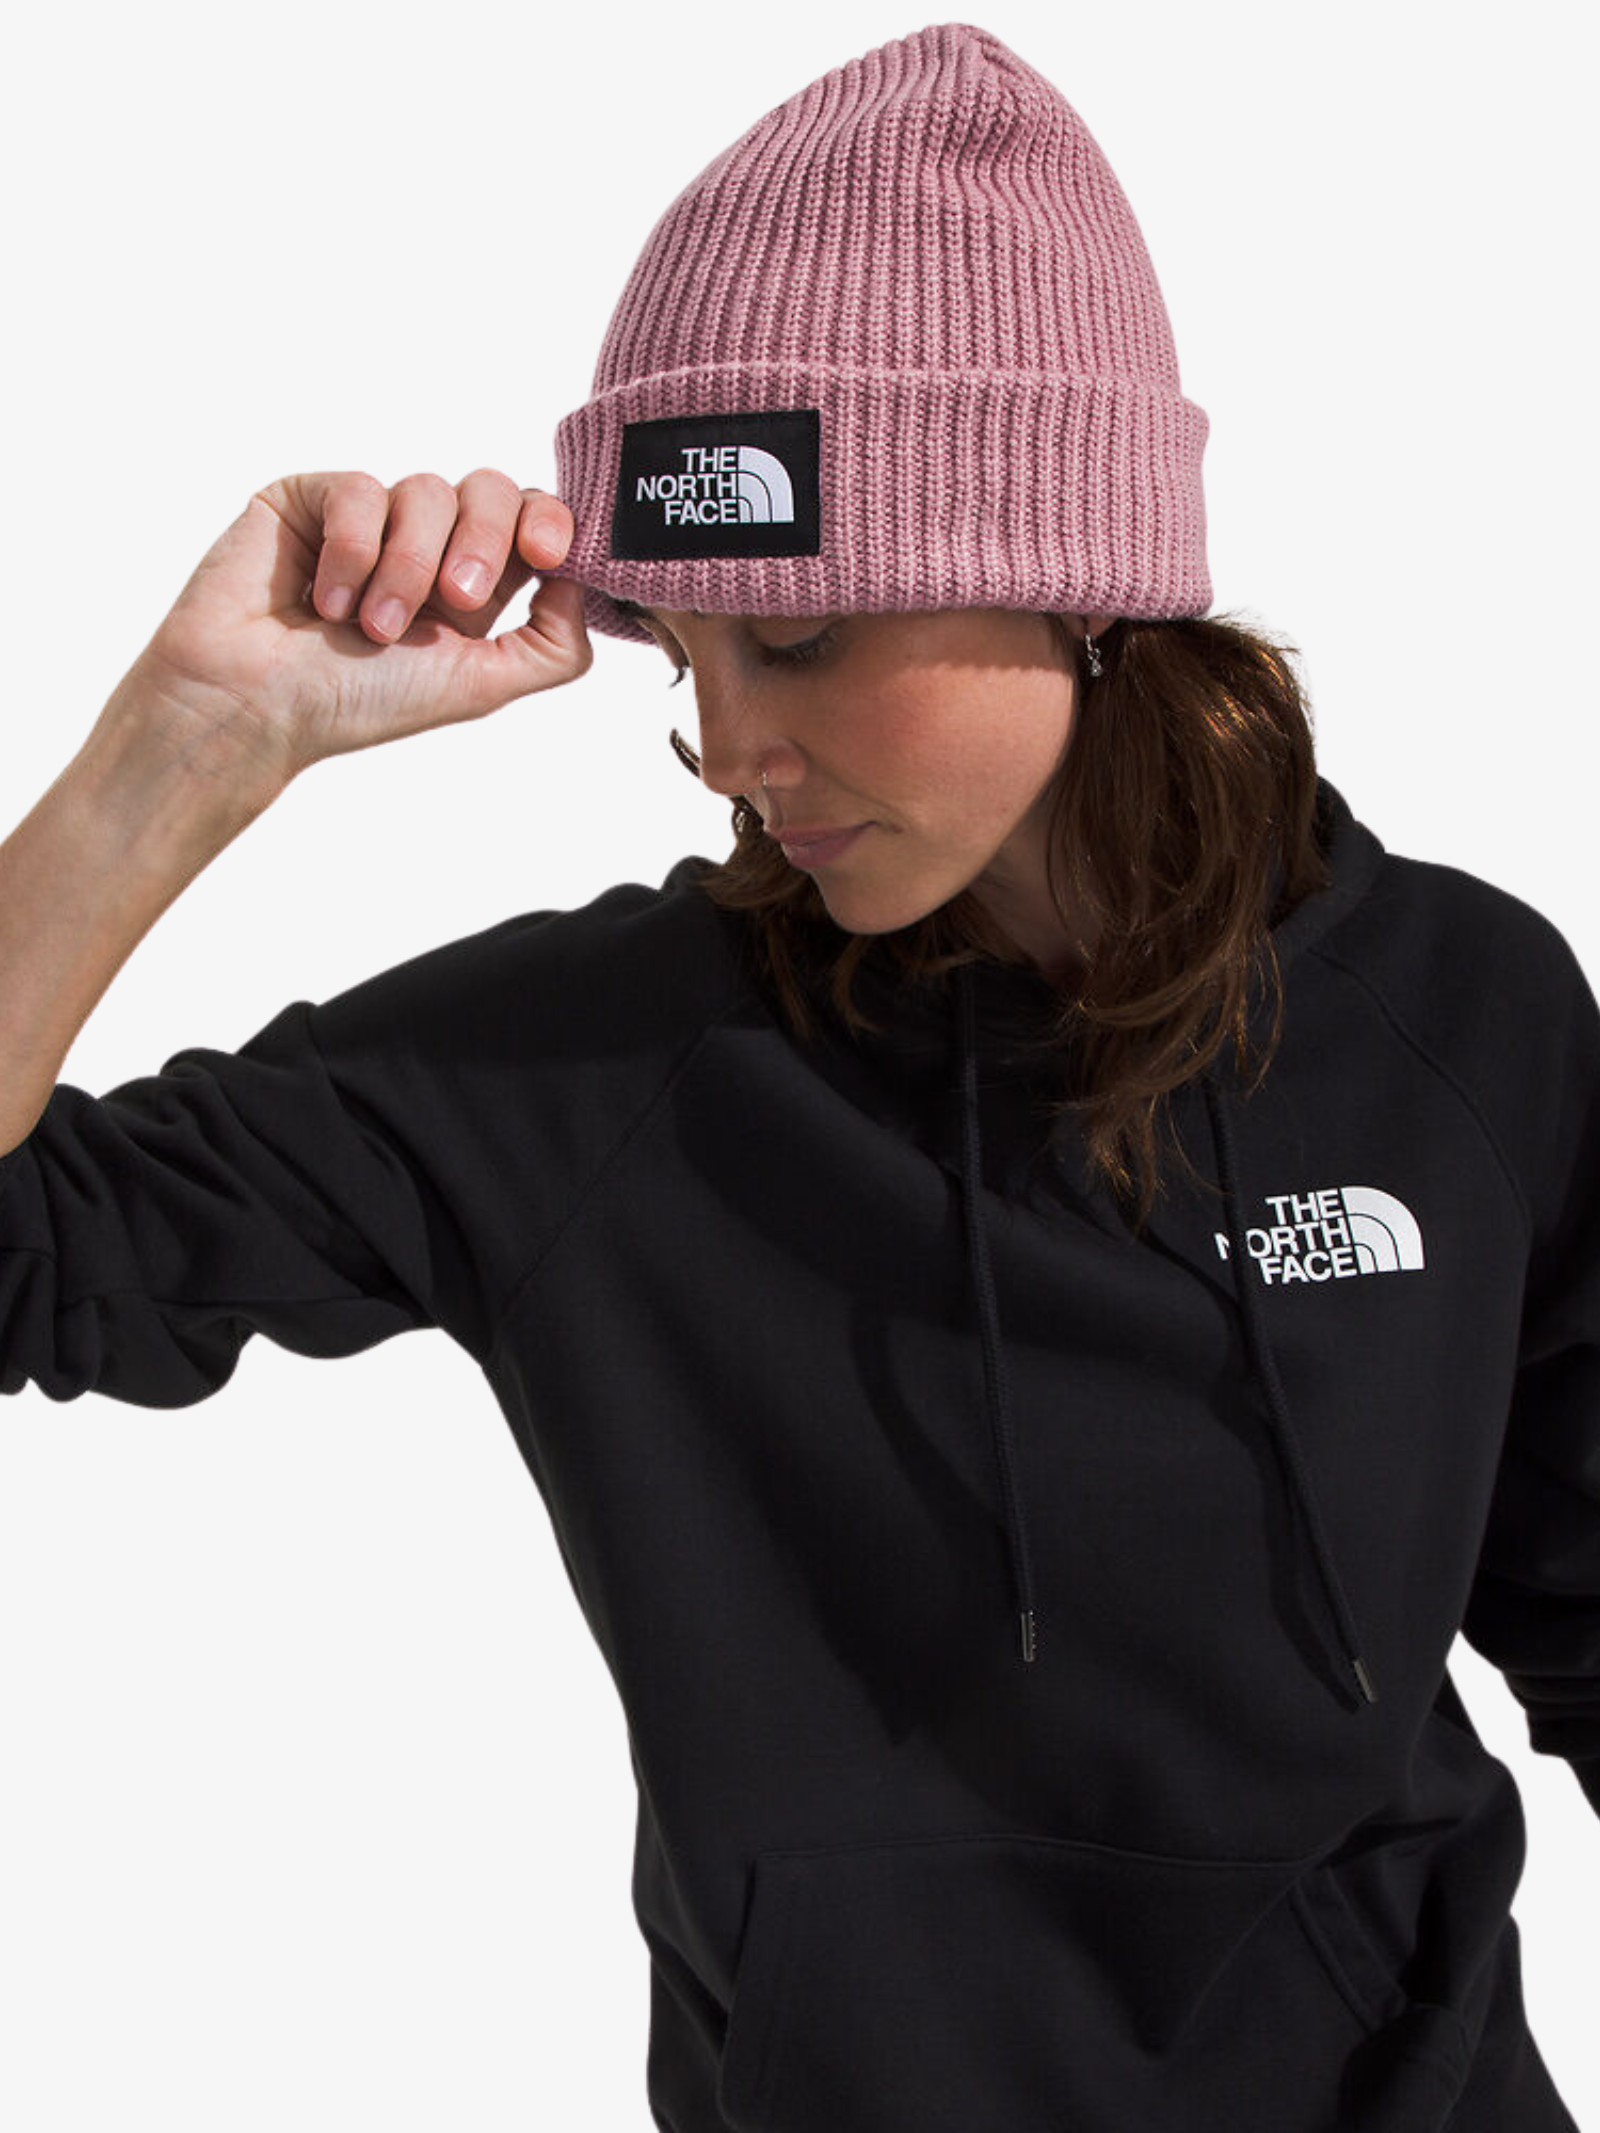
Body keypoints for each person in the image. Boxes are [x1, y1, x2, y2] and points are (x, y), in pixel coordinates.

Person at [1, 20, 1594, 2132]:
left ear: (1077, 575)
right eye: (683, 653)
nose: (729, 746)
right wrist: (185, 748)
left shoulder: (1459, 1016)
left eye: (805, 636)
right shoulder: (603, 1073)